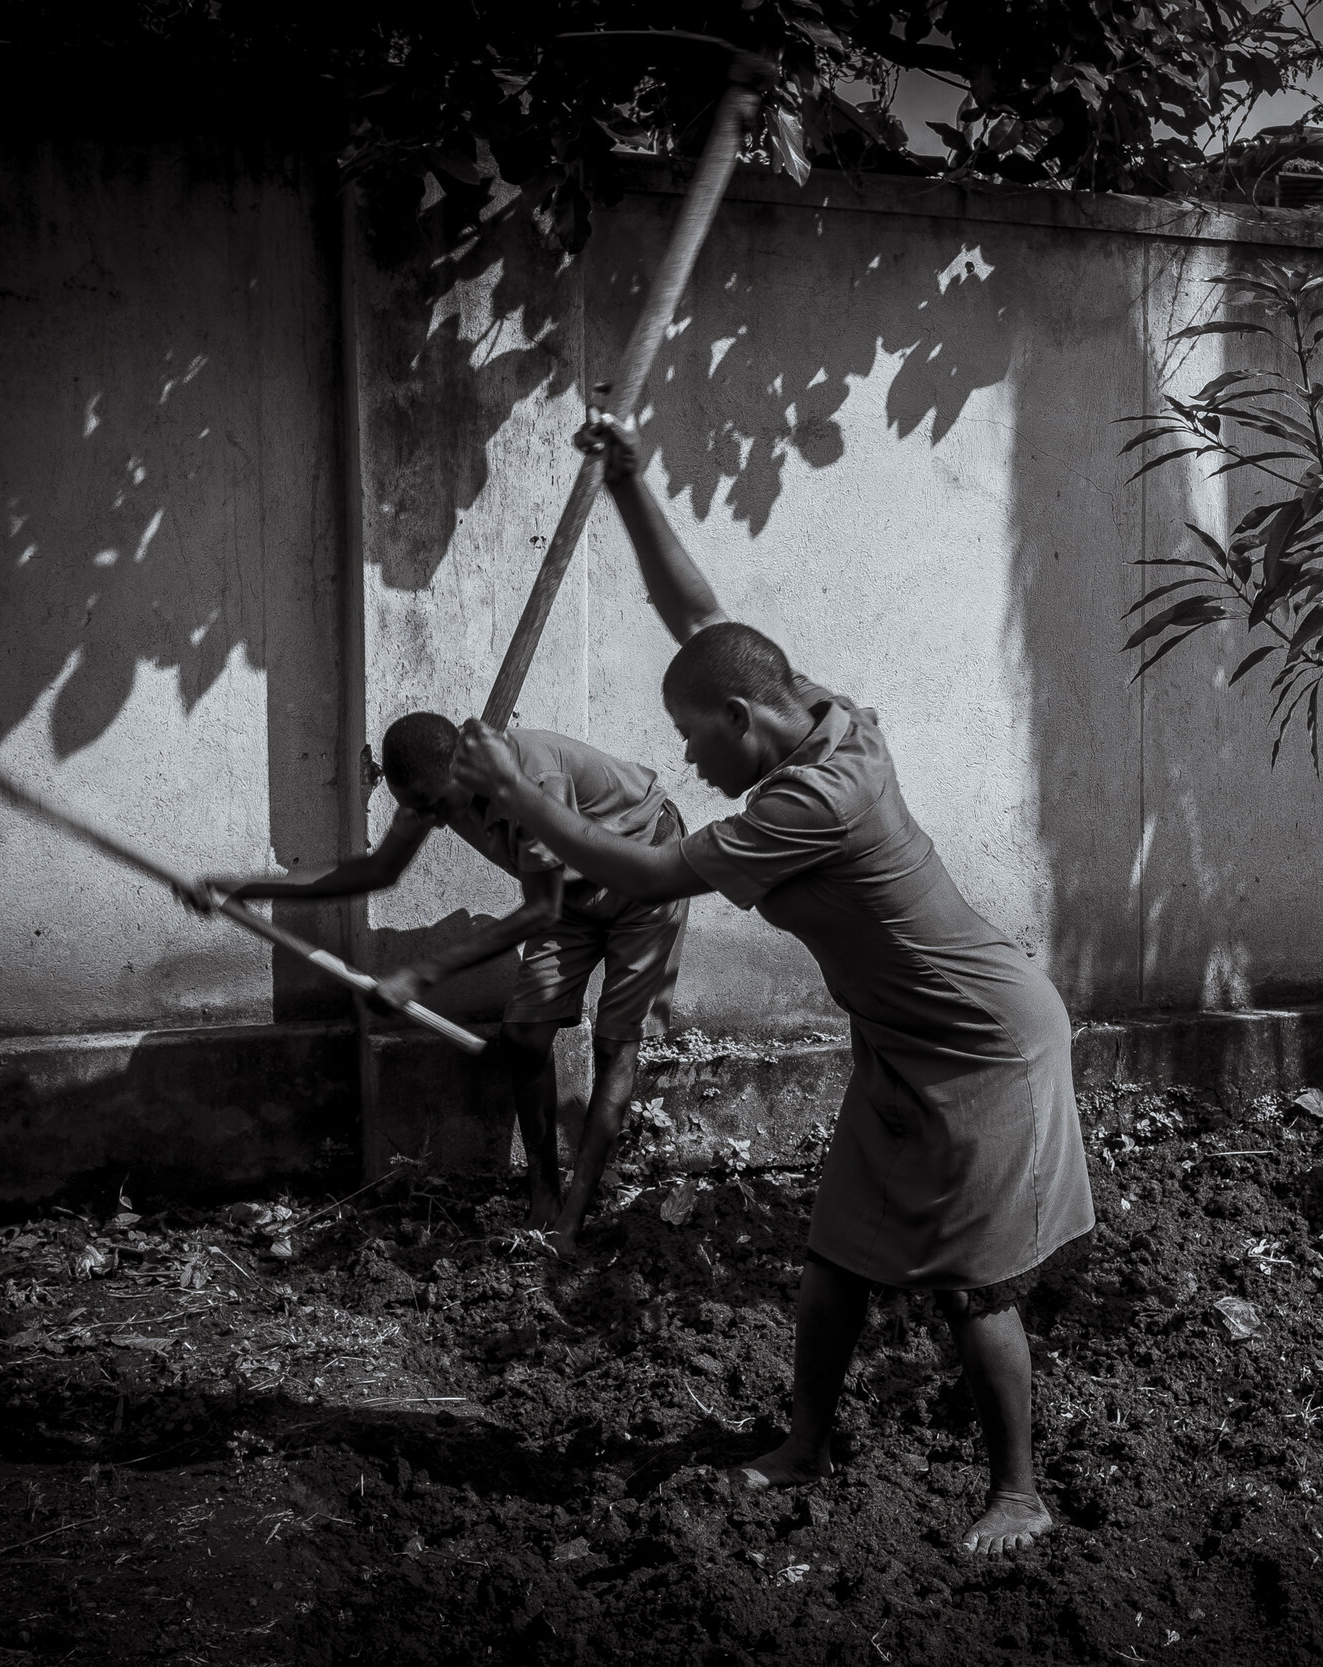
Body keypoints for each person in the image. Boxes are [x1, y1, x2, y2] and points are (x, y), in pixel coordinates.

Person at [447, 413, 1094, 1555]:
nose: (690, 763)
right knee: (836, 1257)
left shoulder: (810, 803)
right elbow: (704, 623)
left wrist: (518, 787)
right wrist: (636, 486)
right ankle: (804, 1444)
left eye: (697, 741)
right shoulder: (824, 711)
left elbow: (643, 869)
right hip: (902, 1037)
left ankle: (1020, 1491)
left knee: (971, 1288)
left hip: (984, 1040)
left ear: (746, 722)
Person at [197, 715, 688, 1256]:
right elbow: (377, 870)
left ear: (460, 768)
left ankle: (574, 1217)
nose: (427, 820)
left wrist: (421, 974)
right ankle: (544, 1199)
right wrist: (248, 884)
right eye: (417, 809)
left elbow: (539, 910)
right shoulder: (433, 793)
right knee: (524, 1038)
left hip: (647, 868)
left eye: (433, 805)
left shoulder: (536, 781)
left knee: (615, 1044)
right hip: (569, 892)